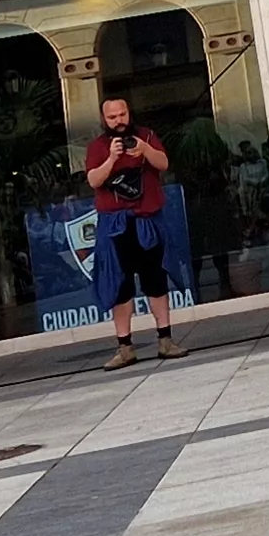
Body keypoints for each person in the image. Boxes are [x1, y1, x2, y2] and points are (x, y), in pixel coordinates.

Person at [84, 95, 183, 371]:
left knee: (156, 280)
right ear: (105, 120)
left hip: (147, 220)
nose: (119, 121)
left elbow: (163, 163)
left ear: (129, 113)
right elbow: (94, 180)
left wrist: (144, 150)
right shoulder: (98, 146)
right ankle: (125, 347)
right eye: (113, 117)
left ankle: (165, 340)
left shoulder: (146, 136)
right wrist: (113, 158)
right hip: (115, 225)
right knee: (120, 286)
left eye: (123, 114)